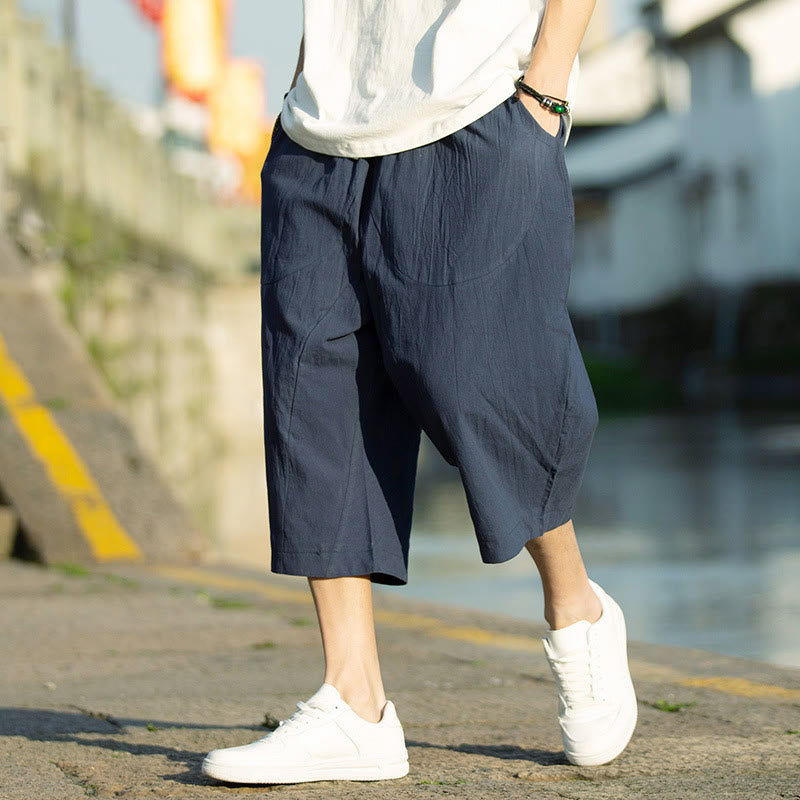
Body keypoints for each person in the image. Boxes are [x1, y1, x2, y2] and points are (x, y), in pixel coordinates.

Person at [202, 0, 637, 784]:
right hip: (319, 134)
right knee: (314, 404)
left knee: (481, 383)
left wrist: (547, 83)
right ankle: (353, 701)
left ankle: (576, 608)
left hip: (471, 109)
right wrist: (308, 79)